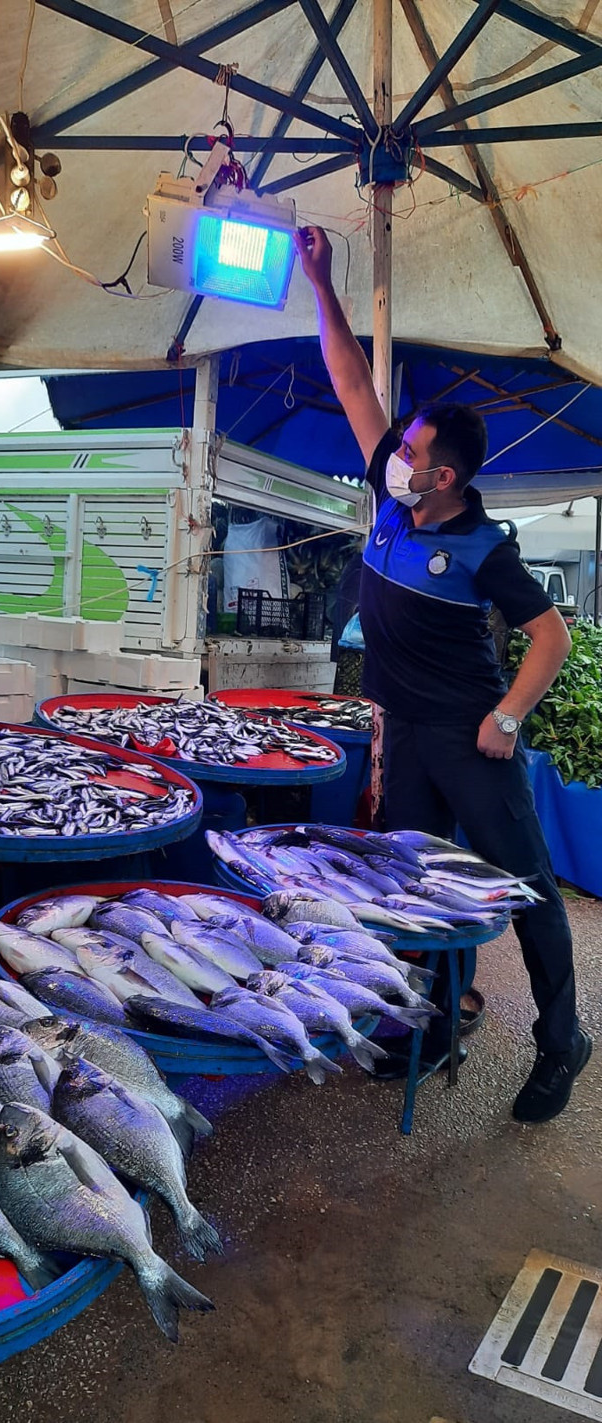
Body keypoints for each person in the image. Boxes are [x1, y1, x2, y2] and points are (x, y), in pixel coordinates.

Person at [295, 225, 592, 1124]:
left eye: (411, 451)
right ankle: (438, 1016)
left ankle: (563, 1038)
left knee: (524, 883)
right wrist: (320, 281)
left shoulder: (483, 546)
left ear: (445, 475)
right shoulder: (396, 502)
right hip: (409, 735)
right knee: (417, 884)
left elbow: (551, 637)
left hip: (470, 735)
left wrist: (507, 718)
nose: (395, 455)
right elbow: (353, 379)